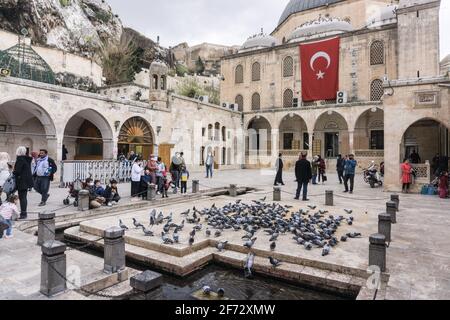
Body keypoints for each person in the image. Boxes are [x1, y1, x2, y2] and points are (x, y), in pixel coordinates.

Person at [13, 147, 33, 219]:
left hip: (21, 181)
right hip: (26, 181)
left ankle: (23, 214)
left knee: (22, 198)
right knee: (23, 197)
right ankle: (24, 212)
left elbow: (18, 171)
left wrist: (12, 171)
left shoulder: (20, 159)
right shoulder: (26, 159)